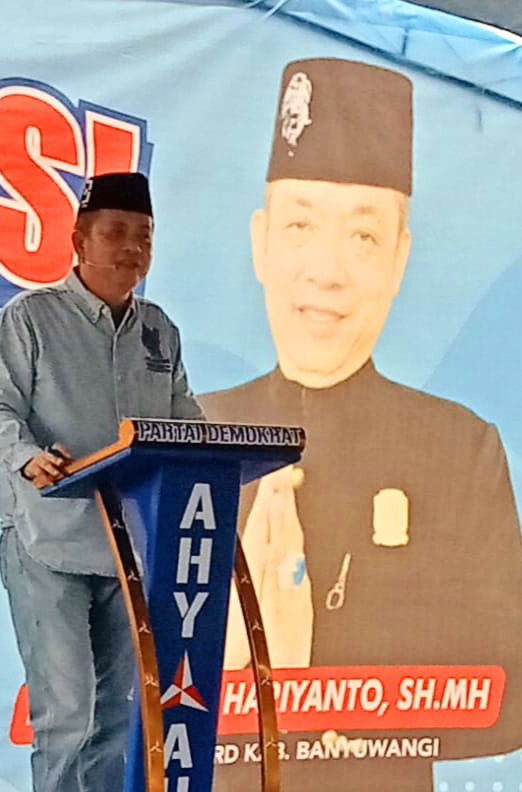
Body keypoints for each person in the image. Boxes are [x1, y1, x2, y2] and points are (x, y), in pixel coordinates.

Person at [201, 58, 522, 791]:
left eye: (364, 238)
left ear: (401, 260)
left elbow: (510, 692)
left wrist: (354, 704)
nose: (327, 272)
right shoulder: (196, 429)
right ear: (261, 242)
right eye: (301, 225)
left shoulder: (457, 449)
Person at [0, 171, 204, 792]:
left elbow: (183, 417)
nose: (133, 248)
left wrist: (215, 455)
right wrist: (27, 457)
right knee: (67, 718)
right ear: (79, 240)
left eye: (144, 235)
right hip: (48, 542)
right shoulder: (31, 318)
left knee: (118, 721)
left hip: (131, 550)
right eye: (117, 233)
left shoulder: (159, 330)